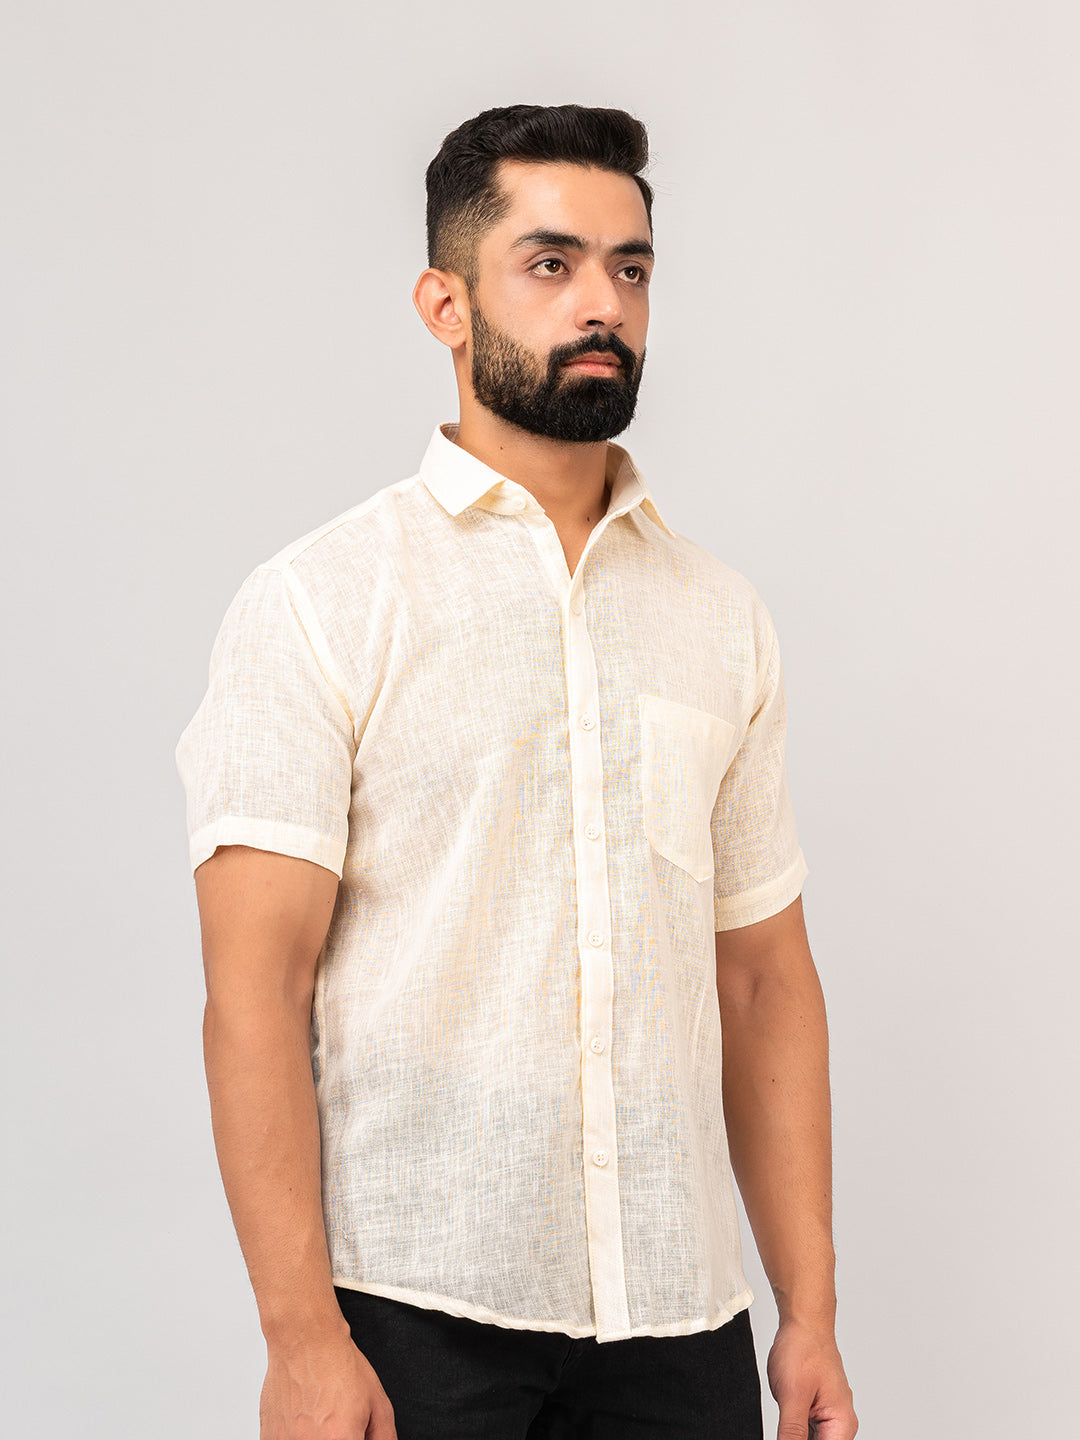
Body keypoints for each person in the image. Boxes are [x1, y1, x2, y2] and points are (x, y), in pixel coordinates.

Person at [176, 103, 858, 1440]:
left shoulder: (719, 618)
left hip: (679, 1317)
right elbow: (255, 990)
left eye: (630, 267)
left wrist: (811, 1311)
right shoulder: (323, 602)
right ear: (446, 304)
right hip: (414, 1312)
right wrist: (300, 1339)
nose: (603, 303)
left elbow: (765, 982)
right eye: (552, 263)